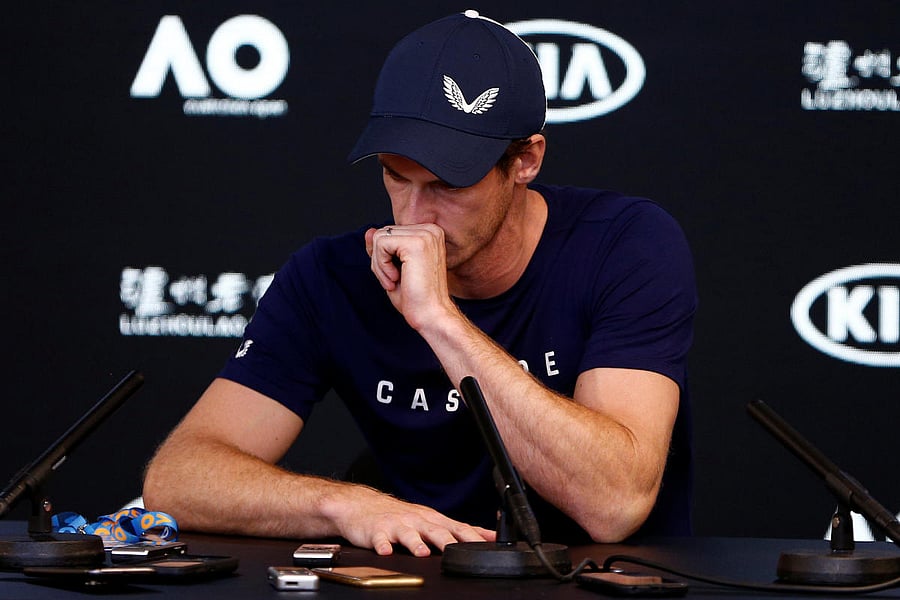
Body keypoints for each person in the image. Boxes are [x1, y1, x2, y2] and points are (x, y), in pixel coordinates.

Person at [142, 10, 697, 557]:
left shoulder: (625, 244)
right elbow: (179, 478)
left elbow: (615, 505)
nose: (414, 215)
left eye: (448, 185)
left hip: (599, 584)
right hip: (417, 583)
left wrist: (439, 319)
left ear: (525, 160)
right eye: (395, 175)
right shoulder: (330, 275)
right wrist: (344, 506)